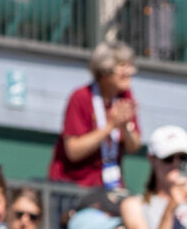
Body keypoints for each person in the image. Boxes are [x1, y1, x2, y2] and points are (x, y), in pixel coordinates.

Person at [51, 41, 141, 190]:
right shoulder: (81, 97)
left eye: (130, 65)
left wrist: (125, 127)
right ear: (105, 70)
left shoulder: (125, 97)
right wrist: (110, 126)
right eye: (122, 66)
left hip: (110, 185)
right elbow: (73, 151)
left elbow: (134, 147)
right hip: (76, 186)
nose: (129, 71)